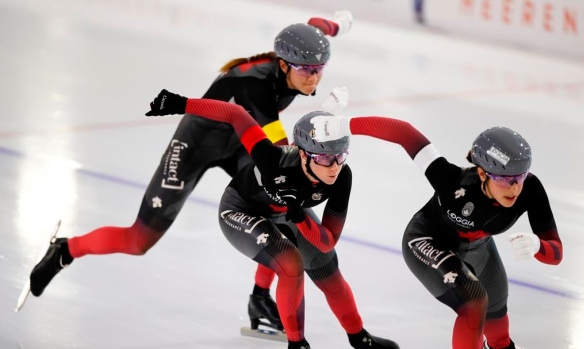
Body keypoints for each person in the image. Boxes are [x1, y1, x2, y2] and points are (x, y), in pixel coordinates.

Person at [29, 11, 354, 333]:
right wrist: (324, 113)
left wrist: (336, 25)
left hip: (239, 143)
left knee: (278, 202)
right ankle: (66, 249)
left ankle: (260, 297)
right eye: (307, 70)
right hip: (195, 146)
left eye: (320, 69)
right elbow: (284, 151)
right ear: (283, 64)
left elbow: (315, 26)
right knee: (139, 239)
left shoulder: (297, 49)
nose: (314, 77)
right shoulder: (255, 87)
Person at [140, 90, 400, 349]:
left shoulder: (343, 176)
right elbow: (236, 114)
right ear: (302, 154)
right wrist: (181, 103)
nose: (333, 167)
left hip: (285, 212)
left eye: (340, 156)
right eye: (323, 157)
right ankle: (297, 344)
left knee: (328, 269)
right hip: (241, 209)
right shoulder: (272, 159)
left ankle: (359, 337)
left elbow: (327, 241)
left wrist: (299, 218)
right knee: (290, 263)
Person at [306, 114, 564, 349]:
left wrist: (539, 246)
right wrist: (343, 125)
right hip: (428, 239)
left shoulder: (530, 188)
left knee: (498, 331)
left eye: (520, 177)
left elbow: (555, 253)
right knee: (474, 304)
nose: (514, 188)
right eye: (505, 179)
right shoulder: (452, 181)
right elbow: (405, 134)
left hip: (478, 248)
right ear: (483, 172)